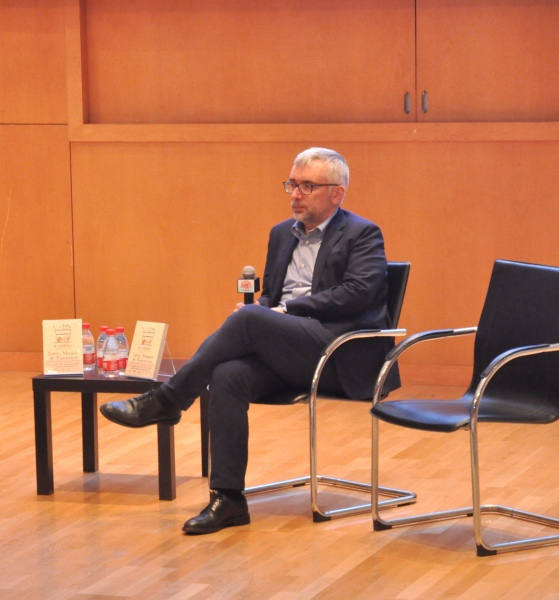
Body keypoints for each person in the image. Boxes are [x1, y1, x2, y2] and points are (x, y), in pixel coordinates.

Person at [100, 147, 400, 535]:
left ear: (336, 193)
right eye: (292, 184)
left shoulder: (362, 233)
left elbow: (358, 293)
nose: (295, 193)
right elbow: (270, 296)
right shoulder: (281, 233)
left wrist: (282, 311)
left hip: (340, 355)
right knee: (228, 374)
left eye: (307, 186)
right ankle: (228, 499)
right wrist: (265, 310)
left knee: (249, 319)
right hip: (292, 352)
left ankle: (168, 400)